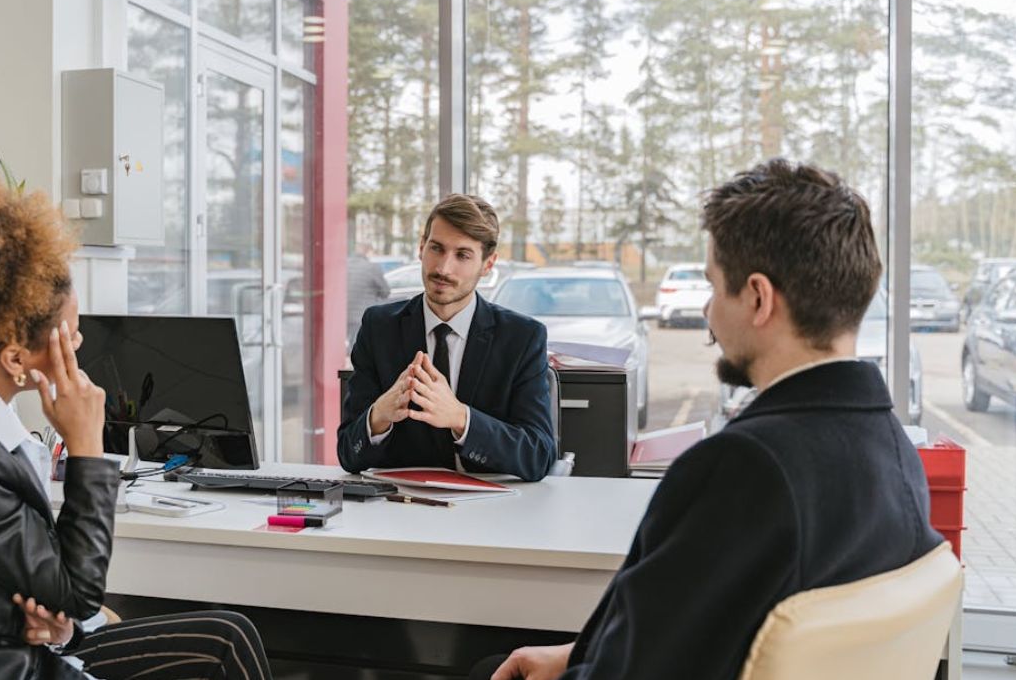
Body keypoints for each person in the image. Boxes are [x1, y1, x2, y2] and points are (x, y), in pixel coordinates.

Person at [483, 159, 943, 680]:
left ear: (757, 297)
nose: (707, 312)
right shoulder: (896, 450)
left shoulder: (742, 467)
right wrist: (578, 655)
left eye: (713, 286)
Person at [0, 176, 272, 680]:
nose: (79, 344)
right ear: (16, 357)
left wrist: (62, 623)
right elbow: (77, 591)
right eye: (70, 333)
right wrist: (86, 446)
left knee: (227, 635)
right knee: (224, 648)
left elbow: (53, 587)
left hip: (16, 645)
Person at [337, 194, 555, 482]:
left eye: (462, 255)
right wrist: (379, 414)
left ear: (488, 264)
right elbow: (348, 455)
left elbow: (538, 455)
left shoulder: (522, 338)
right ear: (421, 248)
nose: (443, 268)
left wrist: (460, 419)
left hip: (493, 514)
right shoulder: (379, 327)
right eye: (436, 248)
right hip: (398, 512)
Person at [347, 242, 391, 346]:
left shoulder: (345, 265)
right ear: (368, 251)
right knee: (357, 349)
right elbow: (386, 291)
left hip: (343, 314)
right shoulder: (372, 267)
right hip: (361, 316)